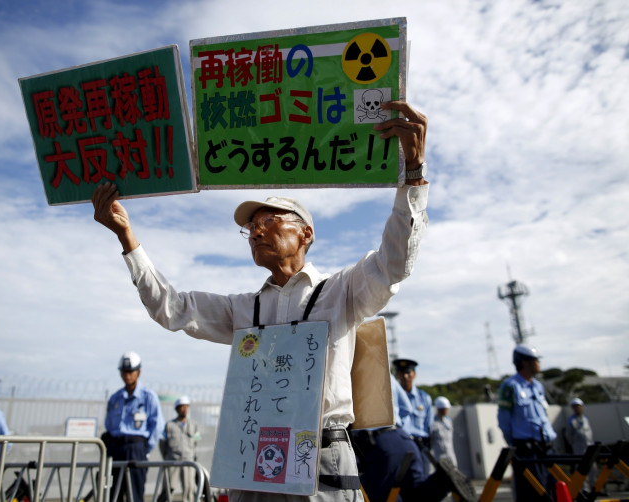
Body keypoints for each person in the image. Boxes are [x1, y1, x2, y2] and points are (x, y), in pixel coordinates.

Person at [92, 100, 429, 502]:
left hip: (320, 457)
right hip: (252, 459)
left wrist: (413, 175)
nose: (255, 232)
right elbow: (172, 308)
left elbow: (393, 263)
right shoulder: (244, 310)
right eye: (250, 228)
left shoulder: (342, 291)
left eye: (268, 221)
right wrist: (126, 238)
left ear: (305, 234)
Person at [497, 345, 557, 502]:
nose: (538, 364)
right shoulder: (510, 386)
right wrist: (515, 445)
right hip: (527, 449)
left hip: (547, 447)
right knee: (532, 494)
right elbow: (504, 420)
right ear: (524, 362)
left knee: (554, 490)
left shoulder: (538, 386)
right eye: (535, 360)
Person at [104, 351, 165, 502]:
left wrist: (144, 449)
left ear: (139, 372)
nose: (127, 375)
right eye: (124, 371)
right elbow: (109, 424)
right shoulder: (115, 398)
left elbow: (157, 426)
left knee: (135, 495)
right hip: (116, 448)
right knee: (113, 494)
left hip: (137, 449)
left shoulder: (148, 397)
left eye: (131, 371)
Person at [159, 396, 201, 502]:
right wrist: (167, 458)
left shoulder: (194, 425)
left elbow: (196, 441)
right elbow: (162, 443)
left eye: (186, 407)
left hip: (188, 462)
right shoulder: (169, 425)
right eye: (182, 407)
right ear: (177, 409)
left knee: (189, 489)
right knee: (169, 488)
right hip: (172, 461)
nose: (184, 409)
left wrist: (193, 456)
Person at [393, 358, 433, 451]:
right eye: (401, 373)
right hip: (401, 444)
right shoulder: (392, 398)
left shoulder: (425, 398)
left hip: (421, 445)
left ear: (414, 374)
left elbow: (429, 424)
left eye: (408, 372)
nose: (405, 376)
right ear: (397, 375)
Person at [431, 397, 457, 467]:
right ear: (440, 409)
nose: (447, 411)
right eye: (446, 409)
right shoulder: (432, 422)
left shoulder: (448, 421)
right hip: (439, 456)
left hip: (450, 454)